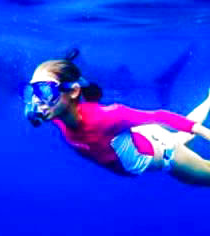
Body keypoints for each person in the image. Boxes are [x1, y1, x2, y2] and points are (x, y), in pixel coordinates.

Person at [23, 53, 210, 184]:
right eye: (32, 92)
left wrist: (205, 133)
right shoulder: (56, 115)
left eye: (45, 91)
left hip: (166, 153)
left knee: (183, 149)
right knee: (179, 137)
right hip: (141, 138)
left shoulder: (106, 117)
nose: (36, 101)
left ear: (73, 91)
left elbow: (159, 116)